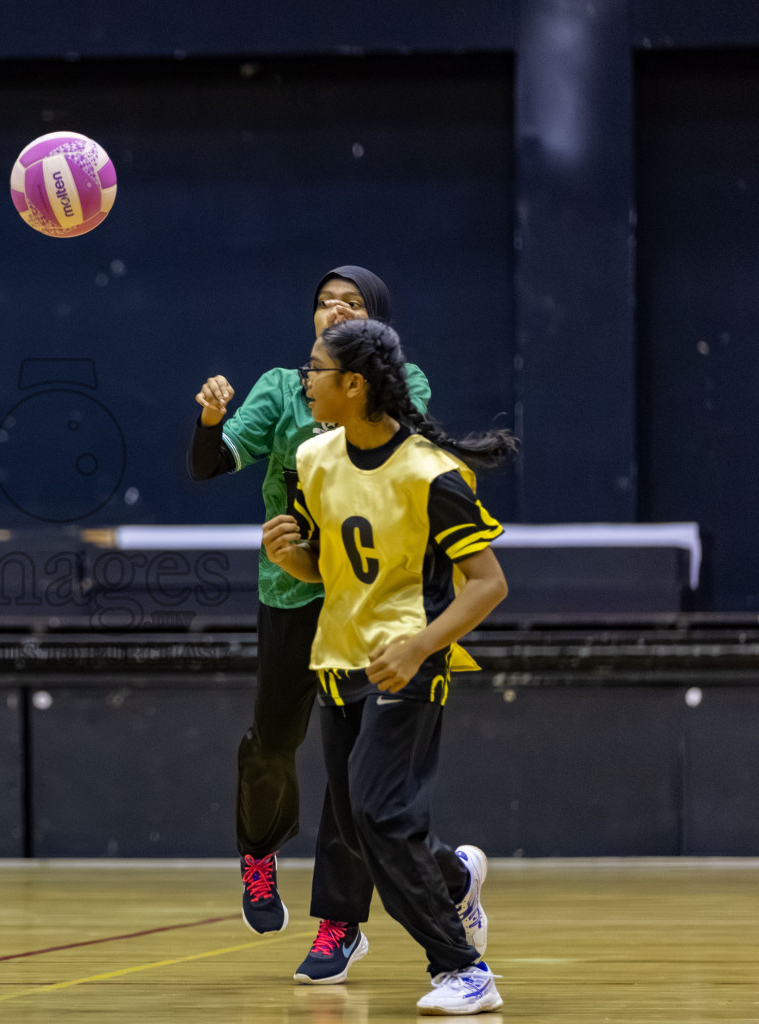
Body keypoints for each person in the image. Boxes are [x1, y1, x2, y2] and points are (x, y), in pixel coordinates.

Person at [187, 267, 448, 948]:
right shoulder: (282, 387)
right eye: (324, 303)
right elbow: (210, 465)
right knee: (273, 743)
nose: (332, 310)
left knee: (349, 771)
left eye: (350, 303)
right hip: (291, 594)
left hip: (366, 602)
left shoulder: (404, 385)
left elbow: (405, 458)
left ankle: (338, 919)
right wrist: (209, 423)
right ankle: (259, 851)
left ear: (377, 323)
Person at [262, 316, 514, 1014]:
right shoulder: (313, 460)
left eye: (314, 369)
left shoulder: (432, 475)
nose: (303, 380)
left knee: (378, 812)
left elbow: (489, 583)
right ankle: (455, 878)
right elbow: (336, 569)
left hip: (407, 664)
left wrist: (421, 644)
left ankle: (464, 971)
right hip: (336, 661)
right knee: (364, 829)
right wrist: (295, 559)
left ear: (354, 383)